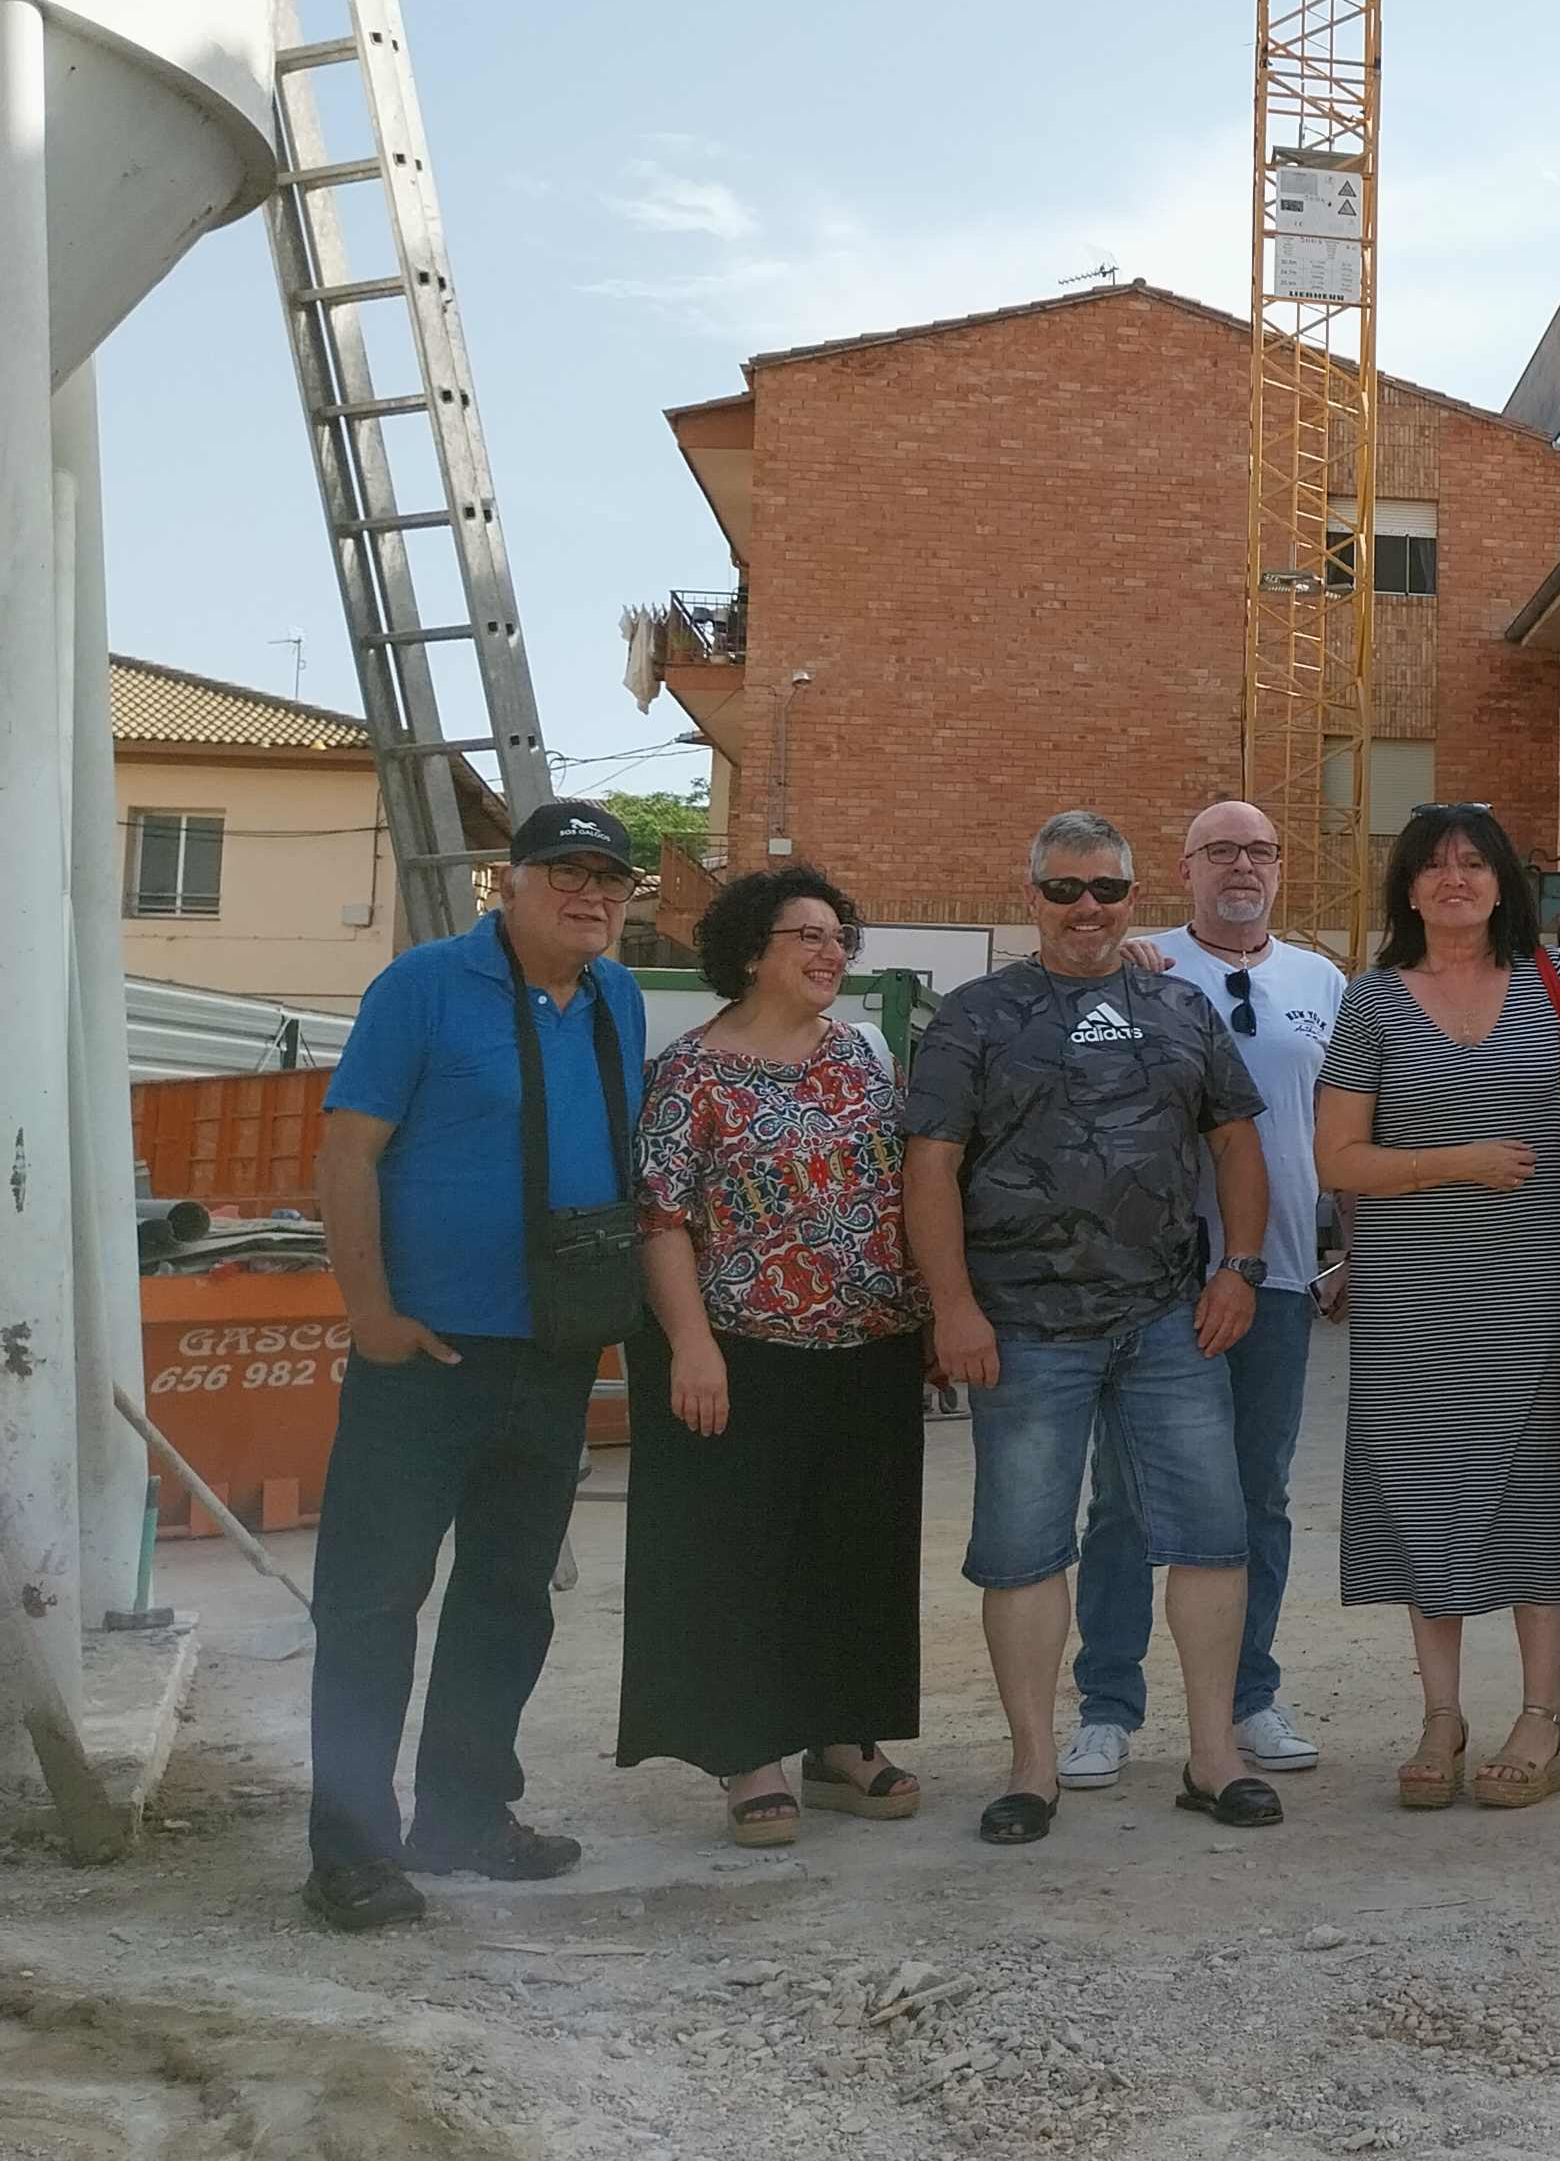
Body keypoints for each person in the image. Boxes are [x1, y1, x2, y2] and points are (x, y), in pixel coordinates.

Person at [303, 799, 650, 1929]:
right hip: (425, 1355)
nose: (591, 893)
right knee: (373, 1600)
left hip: (549, 1354)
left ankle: (462, 1812)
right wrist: (371, 1313)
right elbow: (349, 1151)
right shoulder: (421, 987)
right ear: (509, 881)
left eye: (611, 877)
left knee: (507, 1599)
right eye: (567, 872)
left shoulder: (617, 997)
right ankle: (349, 1852)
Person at [905, 810, 1277, 1845]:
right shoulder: (975, 1017)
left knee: (1212, 1536)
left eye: (1106, 890)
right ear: (1031, 897)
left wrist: (1241, 1267)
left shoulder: (1178, 1004)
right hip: (1025, 1331)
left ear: (1133, 895)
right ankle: (1034, 1770)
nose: (1086, 909)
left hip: (1169, 1322)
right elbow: (928, 1164)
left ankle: (1213, 1756)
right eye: (1065, 889)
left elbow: (1238, 1143)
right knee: (1024, 1548)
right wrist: (954, 1306)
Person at [619, 863, 928, 1846]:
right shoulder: (690, 1073)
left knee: (857, 1551)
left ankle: (842, 1740)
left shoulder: (865, 1058)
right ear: (751, 950)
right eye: (807, 935)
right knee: (737, 1556)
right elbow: (661, 1219)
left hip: (870, 1344)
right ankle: (744, 1750)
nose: (831, 952)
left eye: (840, 937)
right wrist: (690, 1346)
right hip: (745, 1349)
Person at [1315, 804, 1560, 1811]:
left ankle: (1542, 1711)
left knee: (1533, 1478)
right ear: (1405, 887)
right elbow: (1336, 1158)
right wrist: (1460, 1162)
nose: (1454, 879)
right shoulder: (1372, 1003)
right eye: (1434, 865)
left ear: (1501, 883)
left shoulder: (1556, 982)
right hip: (1413, 1289)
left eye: (1474, 862)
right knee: (1420, 1486)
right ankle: (1441, 1715)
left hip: (1535, 1277)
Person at [1062, 802, 1345, 1793]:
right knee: (1129, 1501)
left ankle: (1245, 1697)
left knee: (1257, 1497)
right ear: (1184, 868)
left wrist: (1339, 1245)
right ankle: (1107, 1707)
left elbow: (1340, 1125)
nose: (1242, 866)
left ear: (1281, 868)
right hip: (1155, 1284)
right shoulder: (1144, 966)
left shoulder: (1323, 982)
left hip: (1273, 1280)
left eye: (1261, 850)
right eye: (1221, 850)